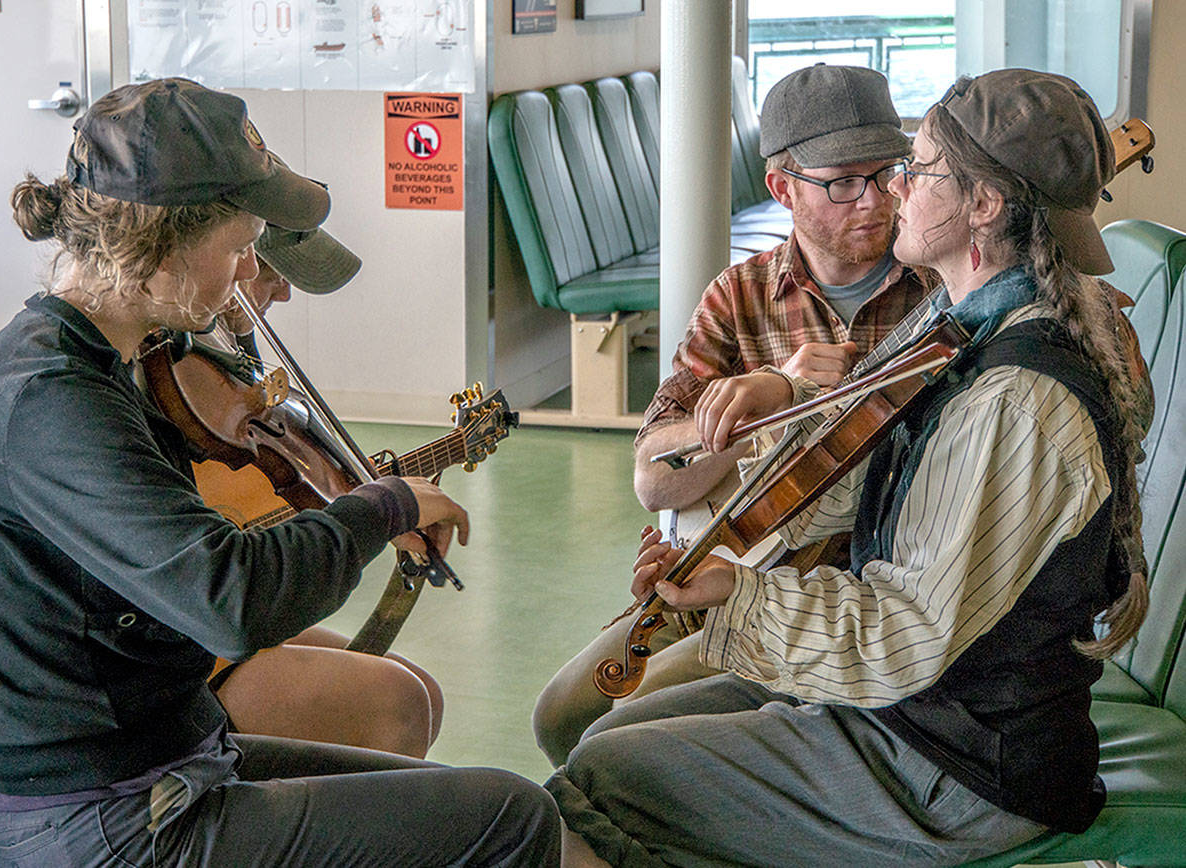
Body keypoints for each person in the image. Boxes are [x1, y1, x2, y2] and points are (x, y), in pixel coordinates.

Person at [0, 77, 558, 866]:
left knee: (472, 794)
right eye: (237, 249)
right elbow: (233, 600)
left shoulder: (109, 359)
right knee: (511, 818)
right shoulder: (49, 399)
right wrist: (383, 505)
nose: (246, 279)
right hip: (109, 824)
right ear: (155, 244)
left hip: (171, 762)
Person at [550, 68, 1152, 867]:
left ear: (984, 206)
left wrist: (743, 593)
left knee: (599, 774)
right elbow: (851, 494)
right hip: (911, 705)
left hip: (958, 762)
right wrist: (726, 559)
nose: (895, 191)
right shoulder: (956, 329)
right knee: (612, 727)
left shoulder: (1016, 398)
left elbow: (905, 636)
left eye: (919, 168)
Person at [532, 64, 931, 766]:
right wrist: (768, 396)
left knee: (621, 739)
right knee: (561, 717)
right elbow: (657, 480)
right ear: (782, 188)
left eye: (888, 172)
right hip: (722, 562)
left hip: (840, 602)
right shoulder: (739, 296)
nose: (873, 201)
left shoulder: (937, 288)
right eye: (842, 181)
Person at [203, 225, 447, 757]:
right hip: (182, 642)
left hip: (224, 615)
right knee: (397, 699)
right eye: (270, 271)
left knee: (421, 688)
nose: (282, 291)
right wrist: (376, 512)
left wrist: (373, 507)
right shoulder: (169, 362)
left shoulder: (223, 353)